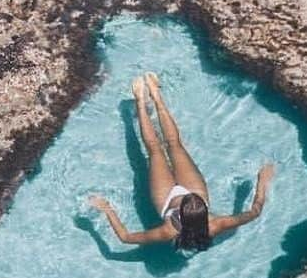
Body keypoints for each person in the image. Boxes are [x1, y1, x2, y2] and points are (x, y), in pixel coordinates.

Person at [89, 74, 276, 252]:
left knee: (155, 151)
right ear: (204, 214)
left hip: (166, 200)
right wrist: (262, 181)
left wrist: (107, 209)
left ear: (182, 216)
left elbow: (126, 237)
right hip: (194, 188)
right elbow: (254, 212)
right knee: (175, 145)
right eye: (198, 203)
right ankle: (156, 96)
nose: (188, 196)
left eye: (187, 203)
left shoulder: (168, 231)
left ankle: (139, 101)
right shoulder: (216, 224)